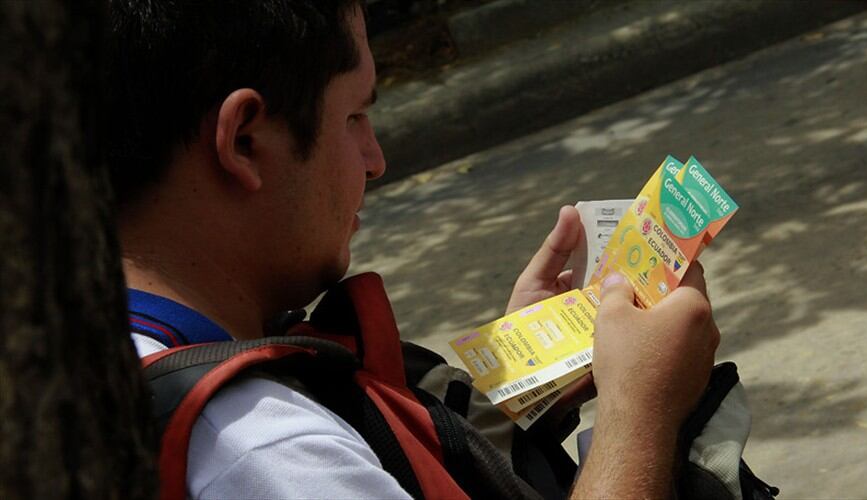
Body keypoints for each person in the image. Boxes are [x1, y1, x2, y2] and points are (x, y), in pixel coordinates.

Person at [107, 1, 720, 498]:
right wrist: (639, 415)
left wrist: (523, 383)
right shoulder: (263, 456)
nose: (375, 162)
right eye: (353, 118)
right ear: (244, 141)